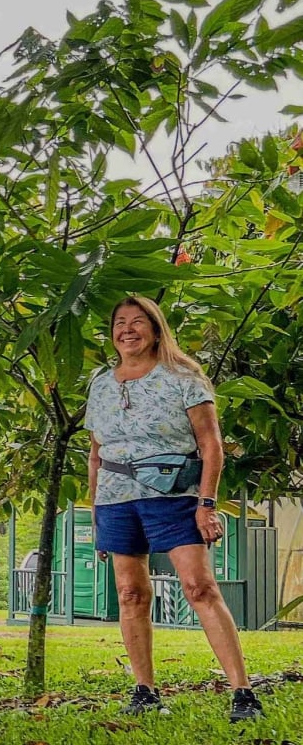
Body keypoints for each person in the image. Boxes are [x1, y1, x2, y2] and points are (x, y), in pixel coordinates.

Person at [87, 296, 262, 722]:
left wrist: (207, 504)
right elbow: (95, 452)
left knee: (199, 587)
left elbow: (211, 445)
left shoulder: (183, 377)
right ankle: (145, 691)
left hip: (174, 496)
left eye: (137, 322)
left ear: (156, 328)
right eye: (120, 322)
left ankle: (243, 693)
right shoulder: (101, 383)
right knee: (130, 594)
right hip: (116, 499)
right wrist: (96, 513)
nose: (127, 330)